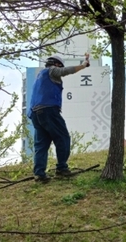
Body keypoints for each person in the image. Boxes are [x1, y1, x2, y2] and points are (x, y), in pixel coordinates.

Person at [27, 53, 90, 183]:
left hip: (35, 113)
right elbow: (66, 71)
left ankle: (39, 174)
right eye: (59, 66)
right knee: (63, 138)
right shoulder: (51, 71)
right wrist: (83, 65)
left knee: (41, 145)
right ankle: (61, 169)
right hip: (48, 110)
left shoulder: (39, 77)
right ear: (56, 64)